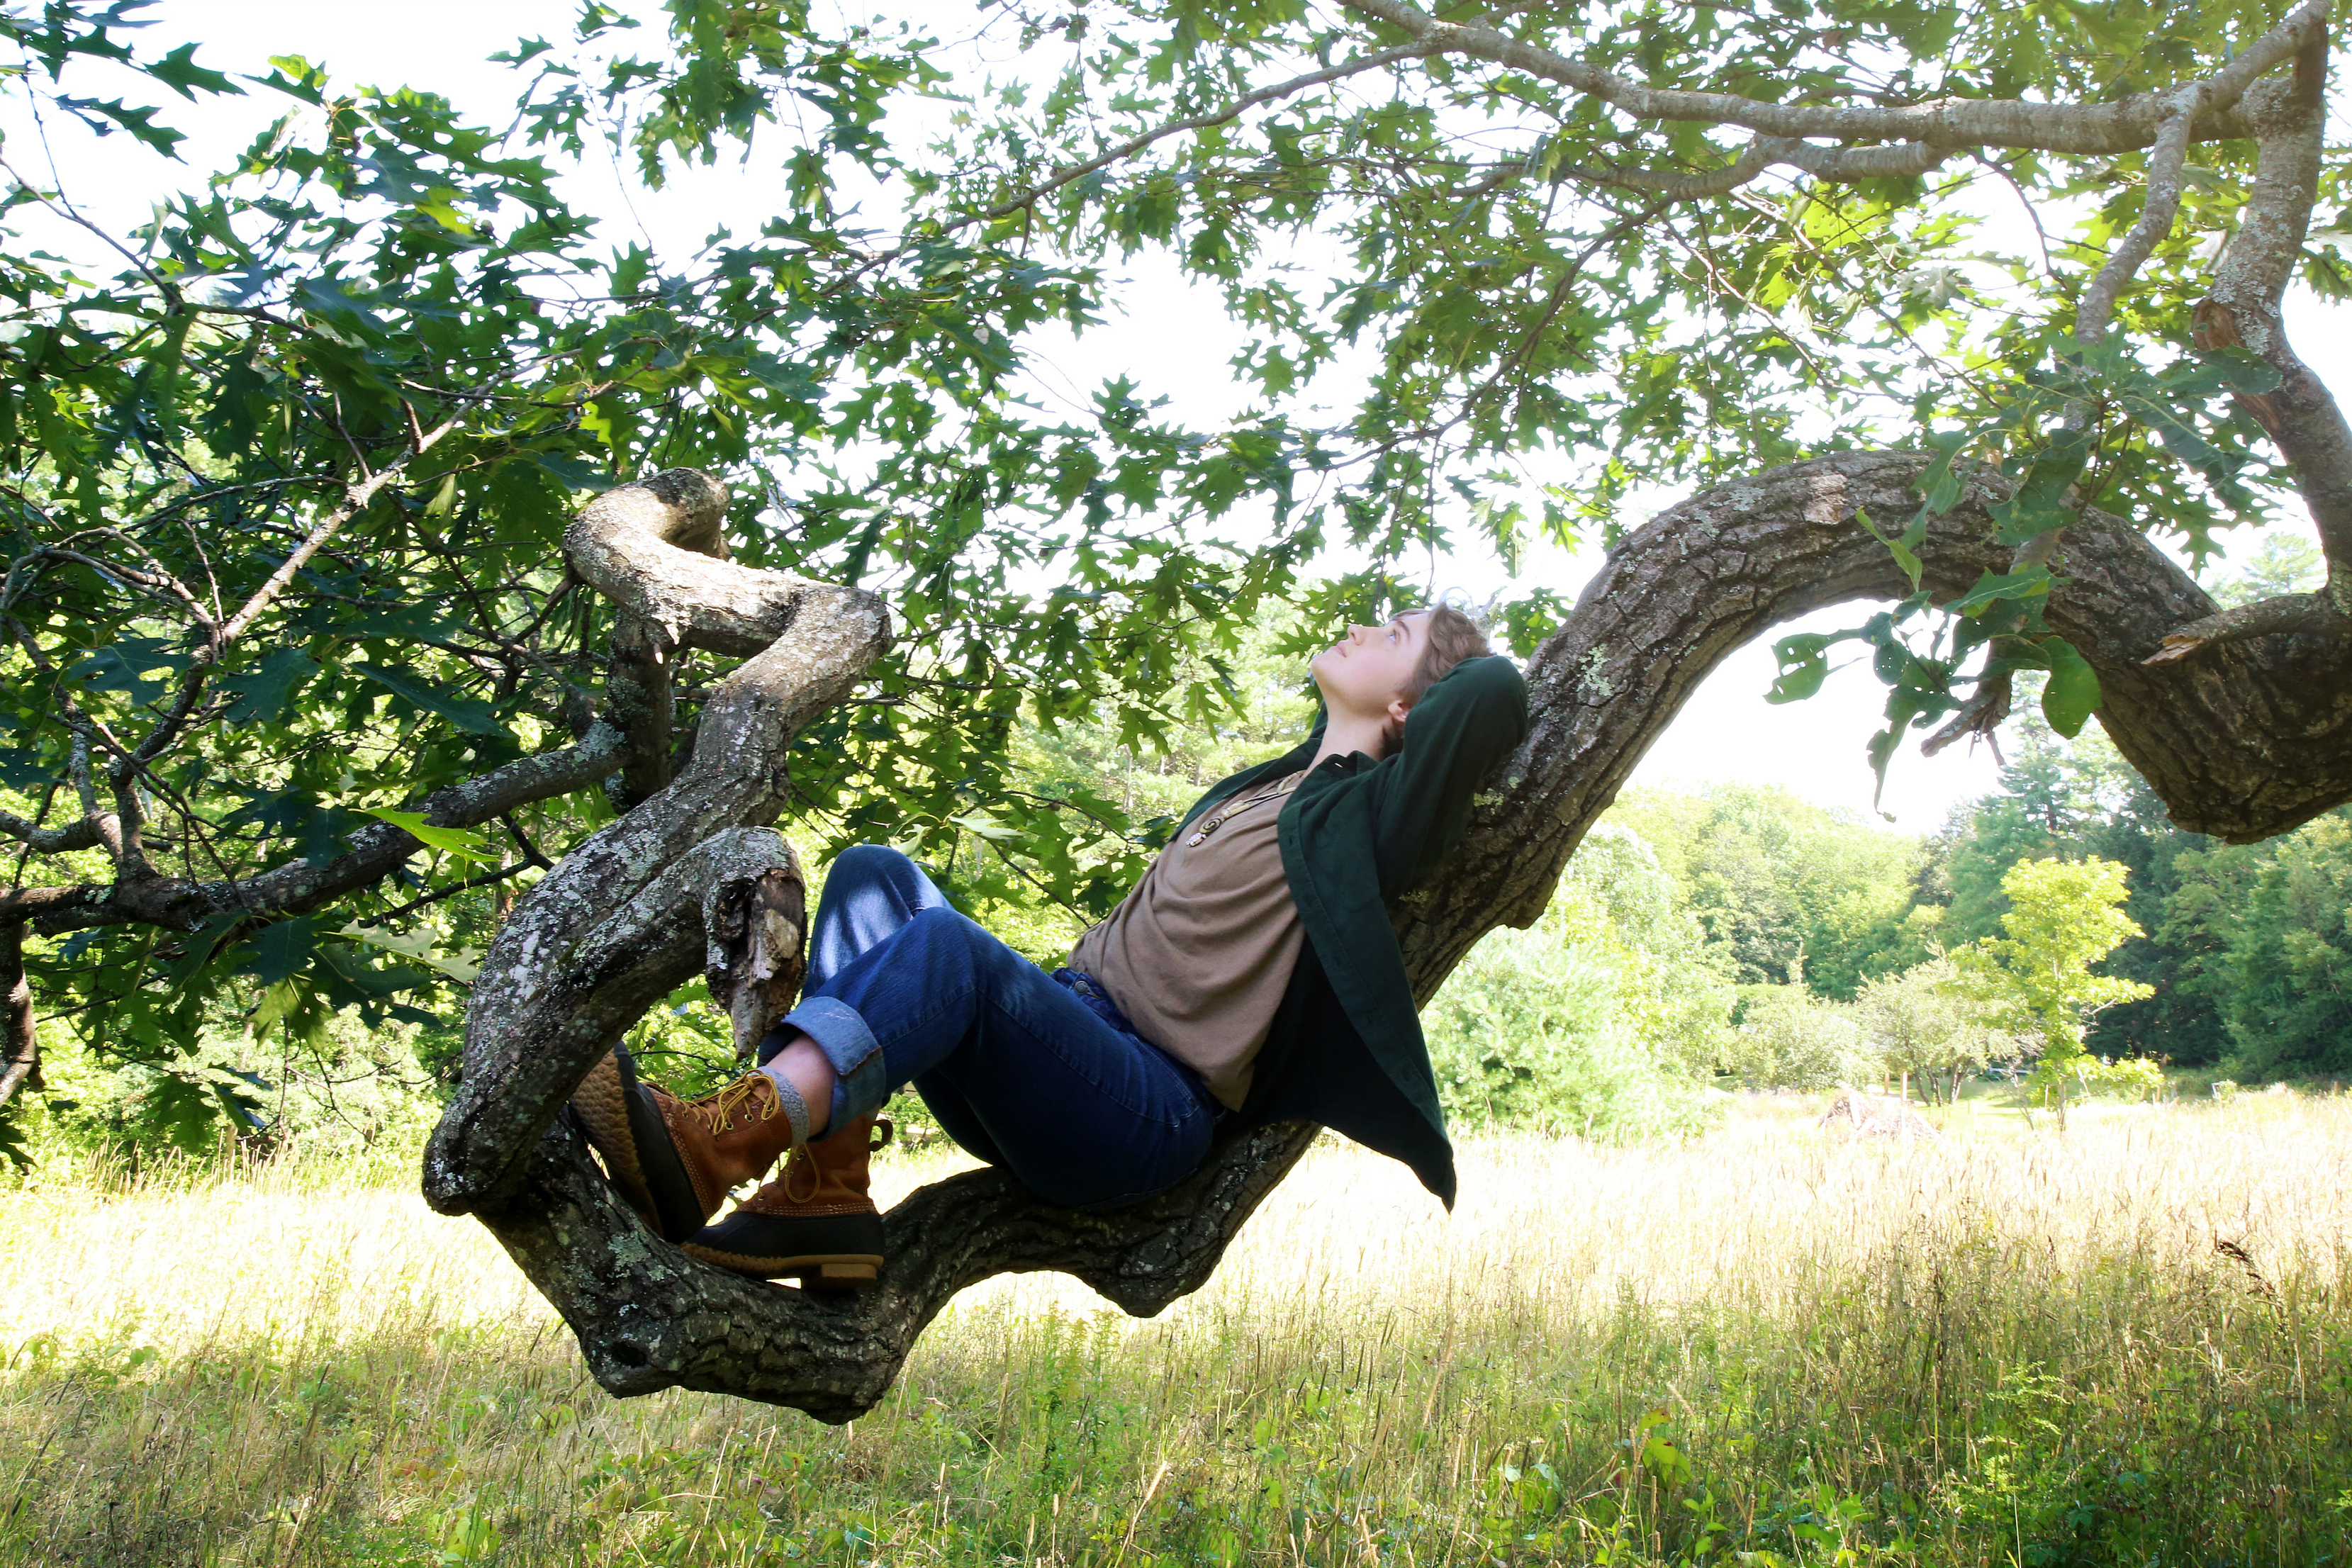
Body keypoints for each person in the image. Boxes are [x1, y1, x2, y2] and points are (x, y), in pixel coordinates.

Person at [572, 605, 1528, 1287]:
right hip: (1071, 1040)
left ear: (1408, 711)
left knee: (943, 943)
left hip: (1145, 1111)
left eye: (1390, 637)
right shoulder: (1264, 787)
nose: (1361, 627)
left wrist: (1448, 650)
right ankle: (828, 1189)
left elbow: (1488, 689)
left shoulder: (1368, 819)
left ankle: (723, 1142)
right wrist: (1411, 653)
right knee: (874, 875)